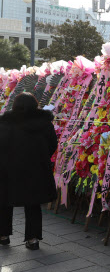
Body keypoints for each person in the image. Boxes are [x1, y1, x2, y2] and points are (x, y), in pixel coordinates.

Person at [0, 92, 58, 250]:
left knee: (4, 201)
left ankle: (3, 235)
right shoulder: (44, 122)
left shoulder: (5, 122)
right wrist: (42, 157)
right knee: (33, 203)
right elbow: (53, 143)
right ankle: (33, 240)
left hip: (8, 169)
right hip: (35, 168)